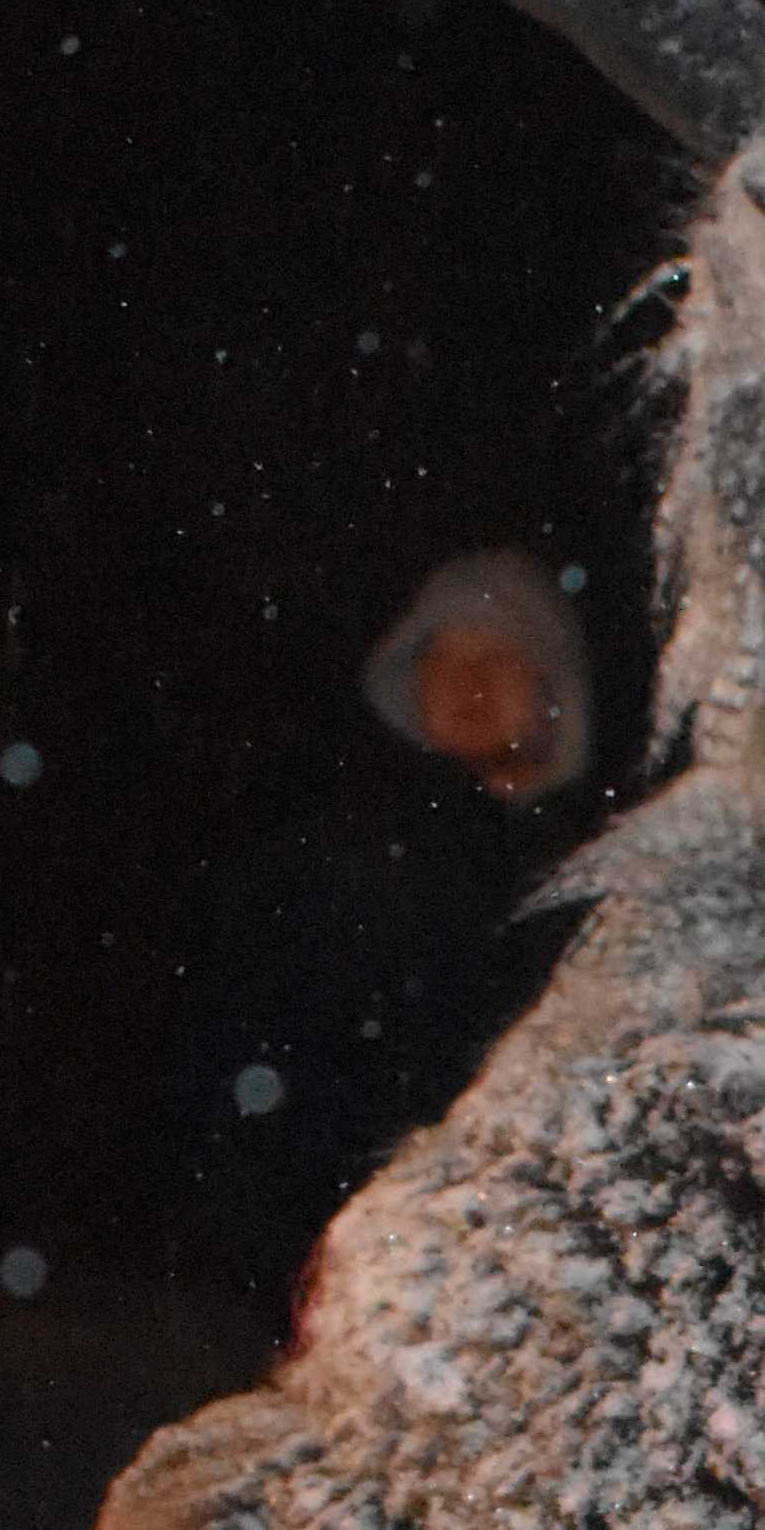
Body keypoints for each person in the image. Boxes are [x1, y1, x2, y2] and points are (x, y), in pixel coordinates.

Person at [171, 547, 602, 1319]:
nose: (467, 684)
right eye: (443, 659)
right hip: (379, 1271)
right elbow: (285, 1075)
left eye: (498, 658)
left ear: (552, 687)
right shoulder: (350, 854)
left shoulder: (610, 866)